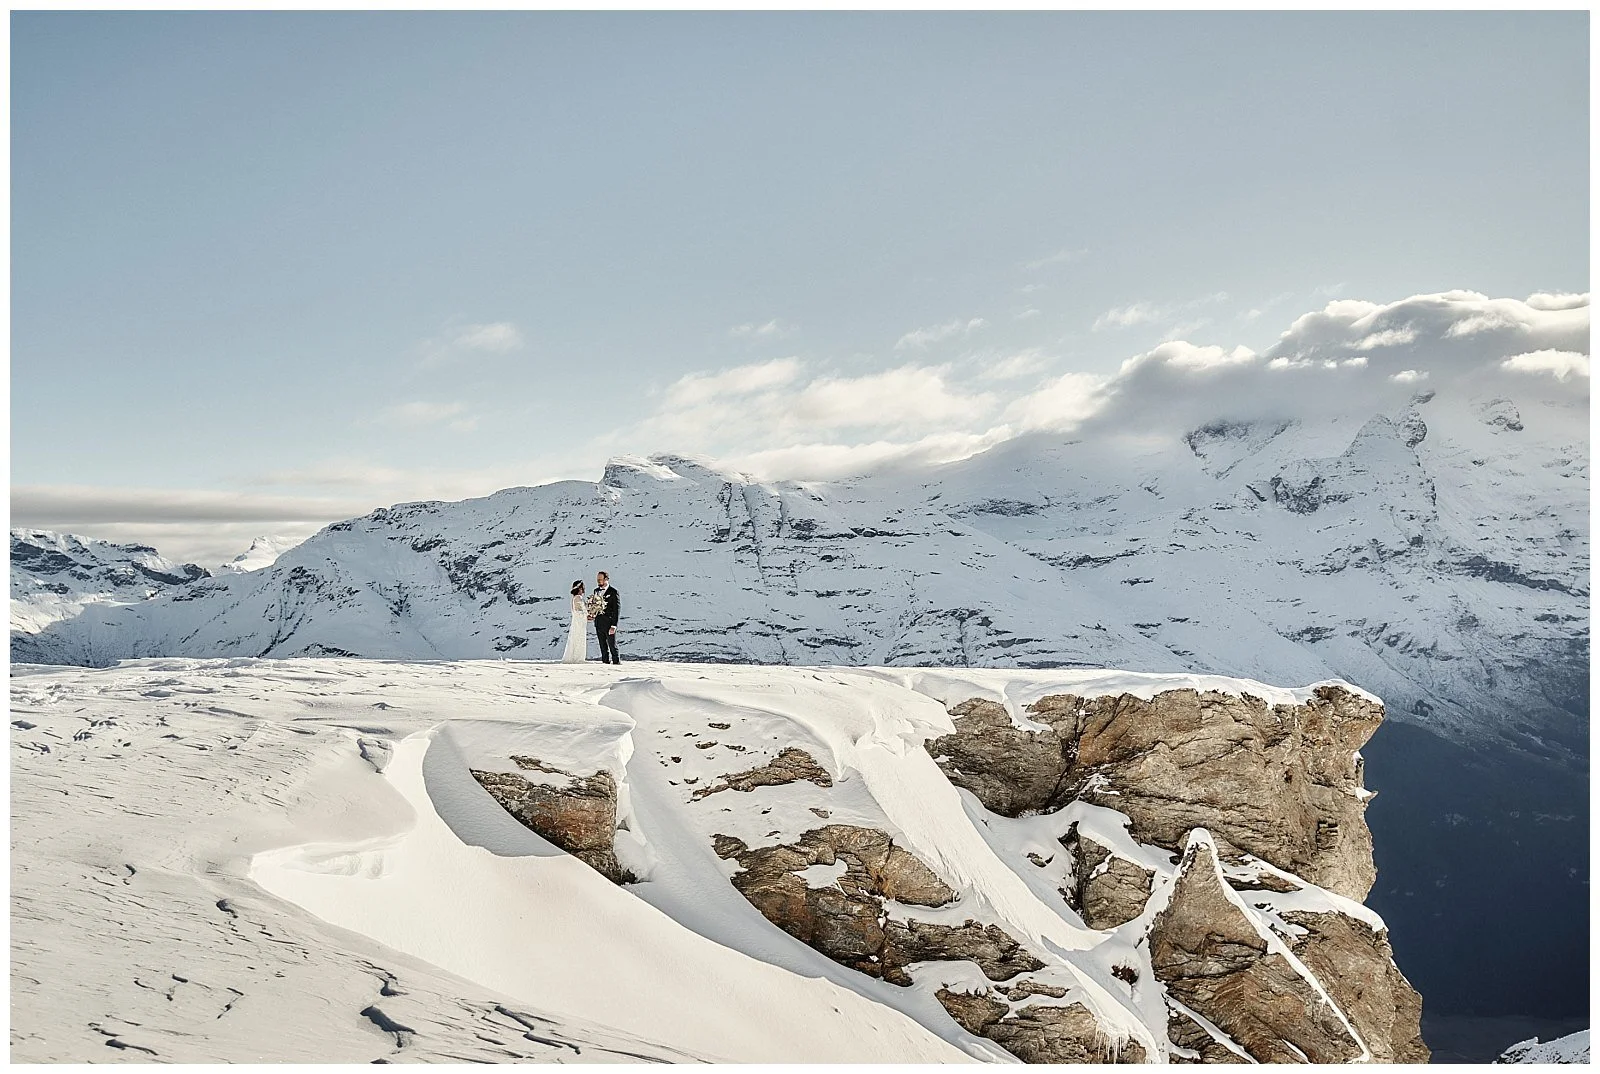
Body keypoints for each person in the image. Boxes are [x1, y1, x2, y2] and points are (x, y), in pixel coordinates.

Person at [592, 571, 621, 664]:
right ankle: (605, 666)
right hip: (599, 623)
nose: (598, 581)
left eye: (600, 579)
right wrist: (592, 614)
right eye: (597, 580)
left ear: (606, 579)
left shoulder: (613, 592)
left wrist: (614, 625)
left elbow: (616, 609)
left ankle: (616, 663)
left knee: (612, 645)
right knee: (602, 647)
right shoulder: (596, 591)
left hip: (609, 624)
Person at [561, 580, 587, 663]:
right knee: (579, 638)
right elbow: (579, 611)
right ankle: (577, 658)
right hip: (579, 621)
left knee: (575, 637)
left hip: (577, 621)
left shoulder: (574, 598)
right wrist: (588, 614)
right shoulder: (578, 598)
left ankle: (574, 657)